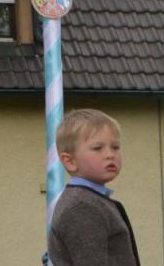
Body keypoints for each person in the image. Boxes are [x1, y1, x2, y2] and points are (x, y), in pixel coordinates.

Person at [48, 109, 140, 266]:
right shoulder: (81, 207)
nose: (110, 154)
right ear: (70, 161)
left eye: (115, 147)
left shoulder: (92, 200)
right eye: (98, 148)